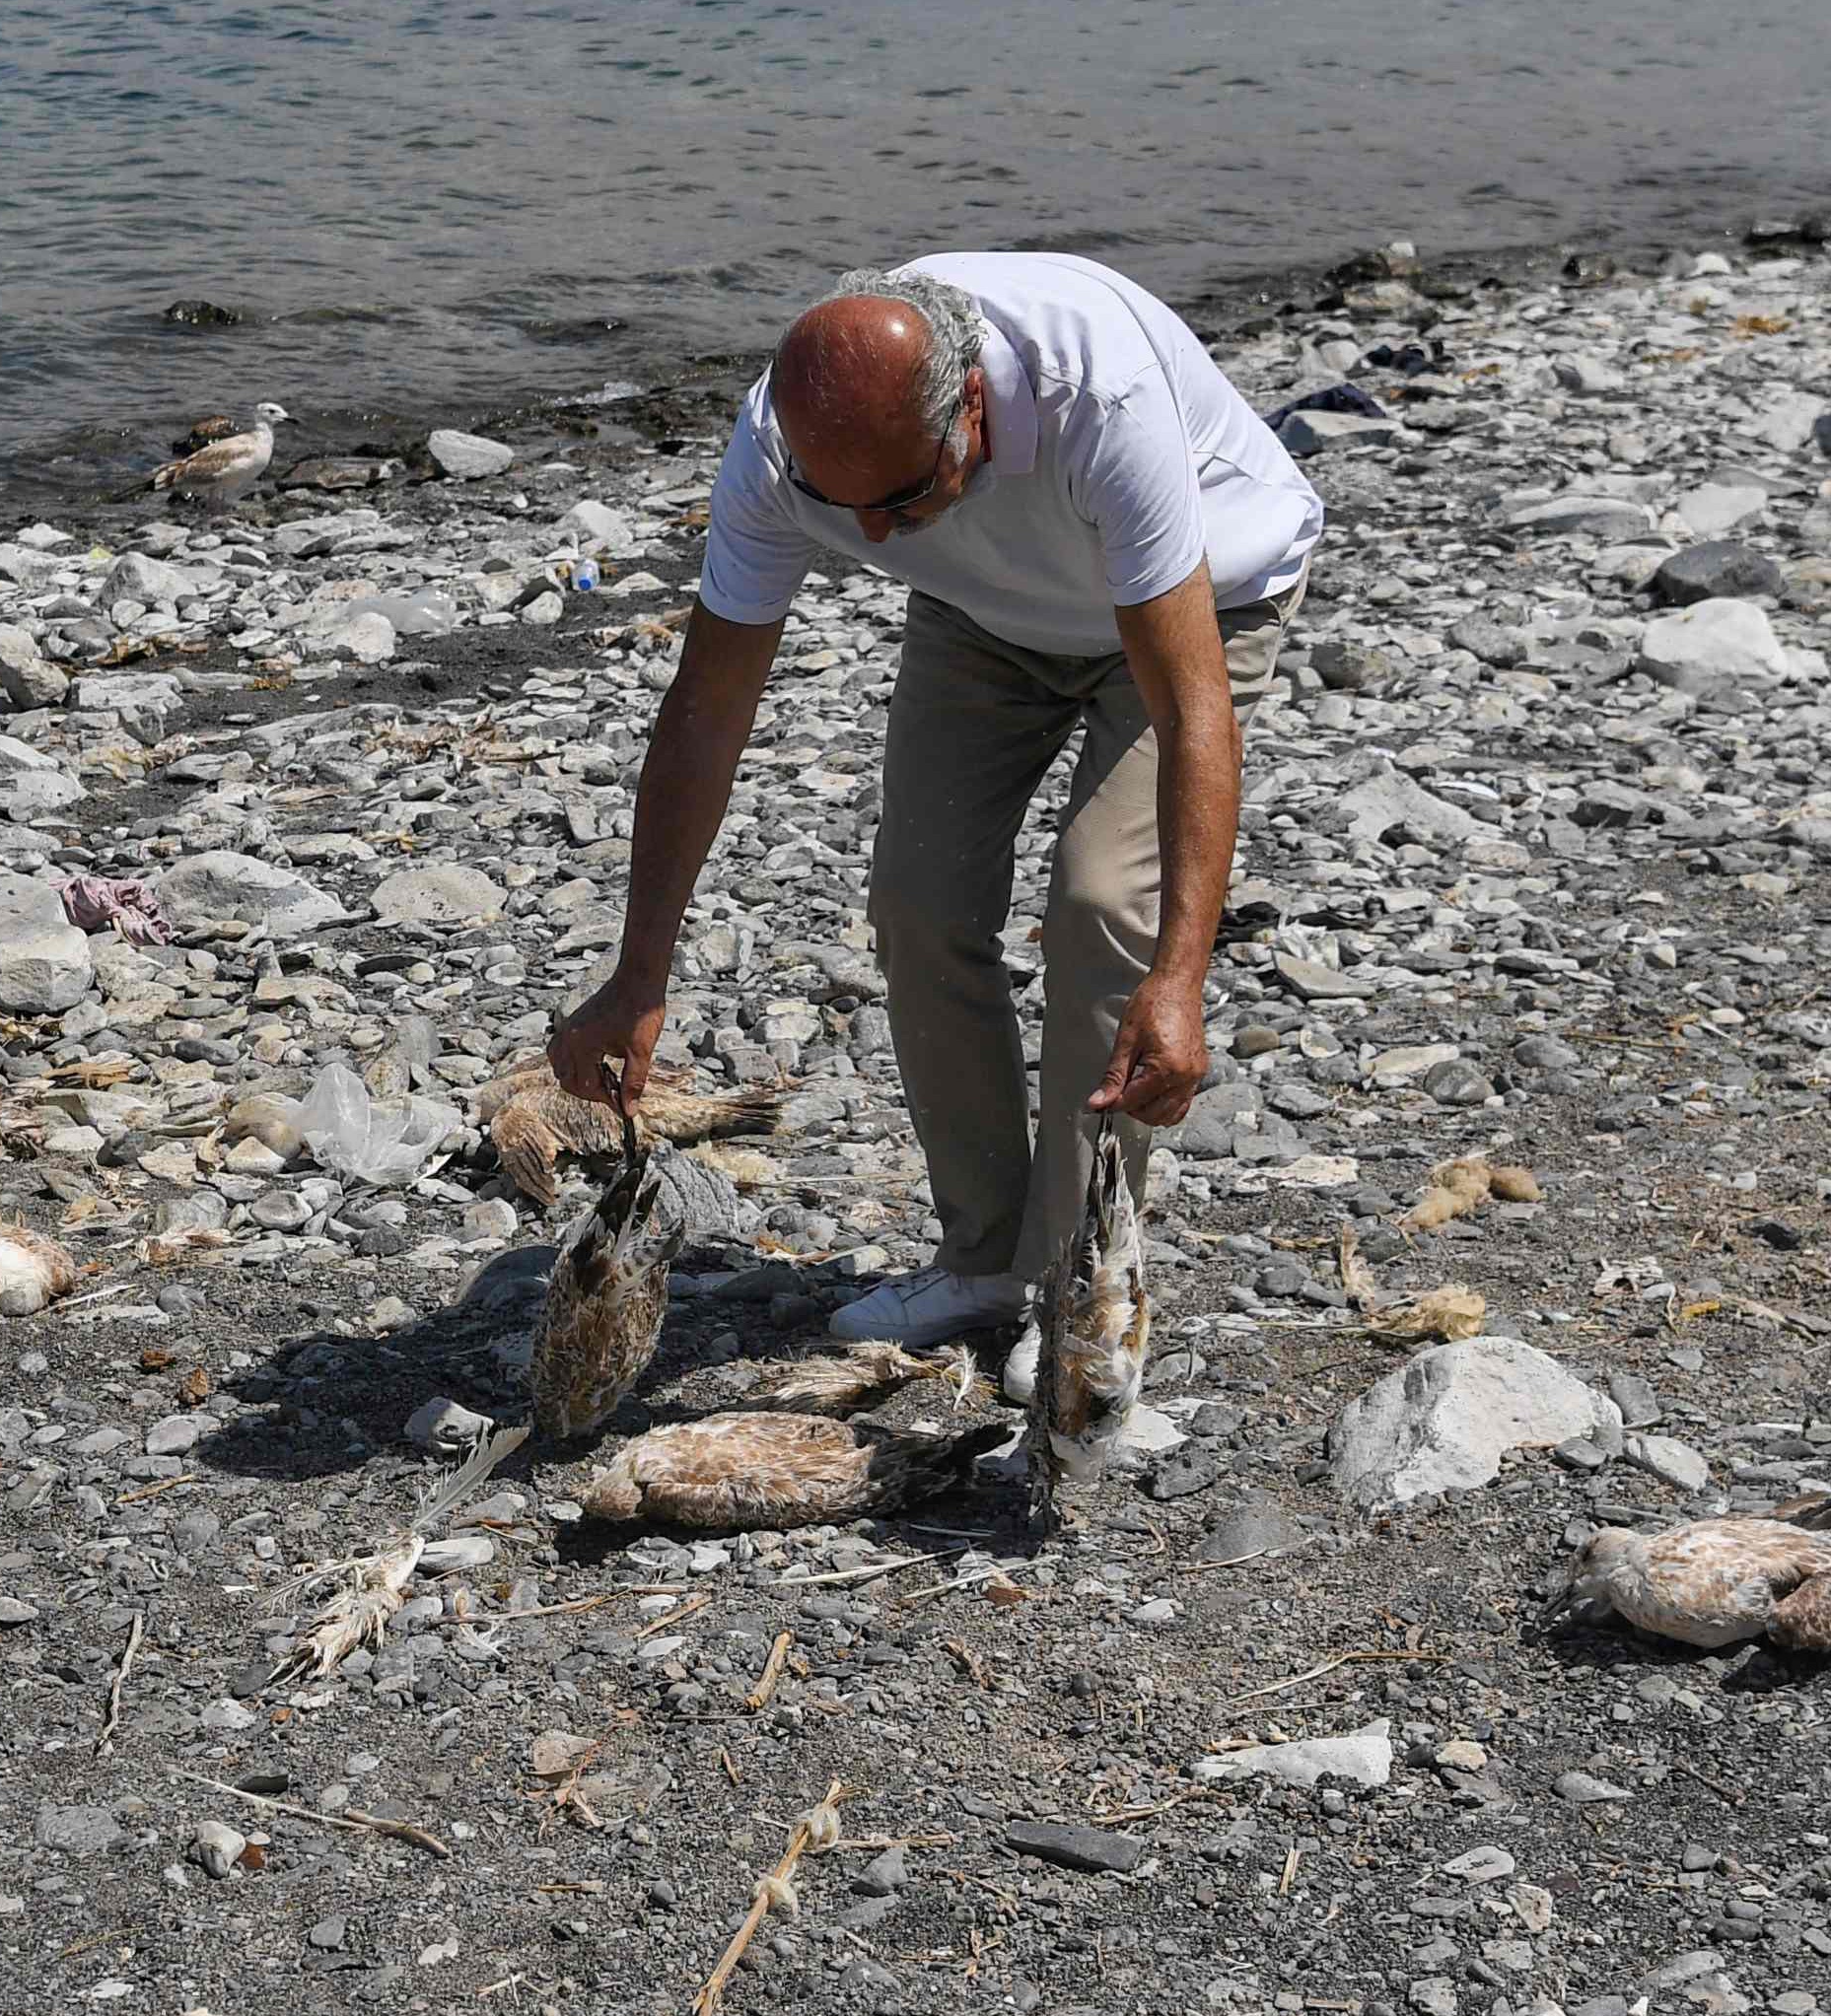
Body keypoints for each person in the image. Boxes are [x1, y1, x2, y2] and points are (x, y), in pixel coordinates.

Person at [547, 254, 1323, 1348]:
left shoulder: (1097, 395)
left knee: (1102, 907)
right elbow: (707, 712)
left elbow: (1197, 712)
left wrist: (1182, 977)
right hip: (985, 614)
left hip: (1201, 596)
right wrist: (637, 973)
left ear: (973, 405)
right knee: (918, 904)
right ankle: (986, 1264)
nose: (872, 537)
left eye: (905, 498)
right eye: (841, 507)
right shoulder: (781, 449)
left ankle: (1075, 1295)